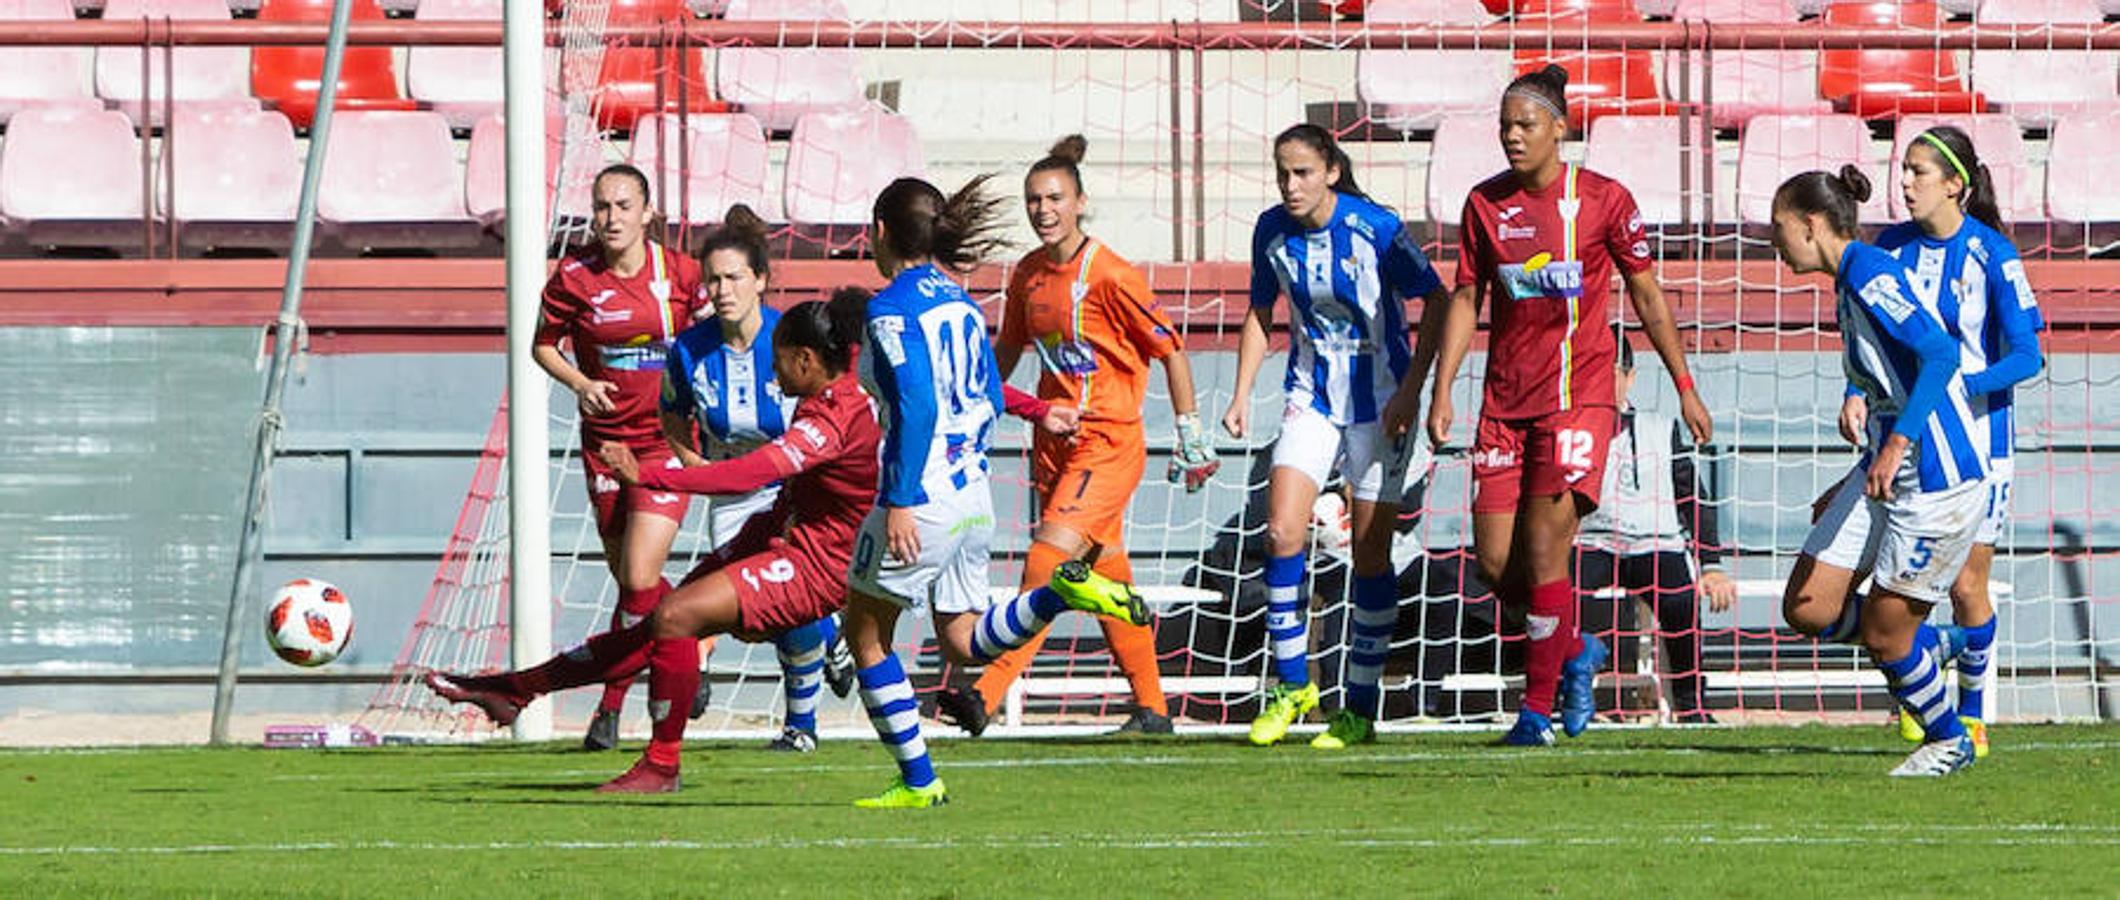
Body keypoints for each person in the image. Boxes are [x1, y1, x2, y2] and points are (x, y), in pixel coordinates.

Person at [424, 291, 886, 792]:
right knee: (657, 626)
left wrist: (647, 475)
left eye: (778, 361)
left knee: (676, 617)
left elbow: (748, 474)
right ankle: (518, 689)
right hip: (778, 533)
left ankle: (661, 764)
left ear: (807, 358)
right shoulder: (827, 388)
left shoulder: (832, 418)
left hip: (817, 566)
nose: (773, 372)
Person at [1422, 65, 1713, 746]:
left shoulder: (1605, 200)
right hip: (1503, 404)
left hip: (1578, 401)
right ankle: (1576, 648)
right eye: (1504, 127)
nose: (1512, 138)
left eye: (1525, 125)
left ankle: (1536, 714)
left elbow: (1645, 295)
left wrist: (1685, 385)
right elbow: (1467, 300)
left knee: (1547, 549)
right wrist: (1442, 391)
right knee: (1497, 565)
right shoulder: (1484, 205)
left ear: (1561, 128)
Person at [842, 175, 1149, 809]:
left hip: (921, 495)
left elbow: (921, 402)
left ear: (880, 233)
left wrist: (899, 497)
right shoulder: (958, 300)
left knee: (865, 634)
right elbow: (982, 388)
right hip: (972, 493)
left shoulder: (892, 307)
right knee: (962, 638)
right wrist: (1040, 412)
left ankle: (918, 780)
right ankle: (1058, 593)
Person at [934, 135, 1218, 737]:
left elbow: (1171, 350)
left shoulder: (1111, 275)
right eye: (1034, 199)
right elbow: (1004, 353)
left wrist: (1190, 429)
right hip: (1054, 445)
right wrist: (969, 406)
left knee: (1047, 559)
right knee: (1108, 576)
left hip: (1107, 443)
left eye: (1055, 198)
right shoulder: (1029, 276)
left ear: (1080, 202)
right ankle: (1153, 711)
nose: (1043, 210)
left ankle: (982, 693)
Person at [1222, 123, 1452, 749]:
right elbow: (1258, 312)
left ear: (1329, 169)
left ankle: (1358, 707)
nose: (1289, 186)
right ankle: (1294, 685)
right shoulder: (1272, 230)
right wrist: (1242, 393)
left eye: (1300, 173)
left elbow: (1437, 300)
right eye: (1281, 174)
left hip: (1380, 404)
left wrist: (1415, 391)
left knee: (1370, 558)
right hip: (1310, 397)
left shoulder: (1373, 227)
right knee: (1281, 532)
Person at [1771, 166, 1985, 777]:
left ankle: (1948, 739)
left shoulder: (1867, 271)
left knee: (1885, 638)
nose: (1775, 243)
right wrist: (1861, 470)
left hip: (1938, 474)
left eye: (1780, 229)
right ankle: (1928, 645)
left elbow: (1942, 353)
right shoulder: (1848, 280)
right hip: (1885, 469)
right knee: (1807, 607)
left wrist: (1896, 448)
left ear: (1811, 226)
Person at [1859, 126, 2044, 758]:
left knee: (1968, 585)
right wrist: (1856, 393)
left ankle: (1971, 714)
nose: (1904, 182)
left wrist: (1964, 385)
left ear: (1955, 184)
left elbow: (2028, 355)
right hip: (1908, 441)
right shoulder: (1891, 248)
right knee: (1905, 585)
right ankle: (1921, 696)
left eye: (1917, 171)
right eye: (1903, 169)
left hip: (1981, 444)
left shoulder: (1993, 255)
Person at [660, 206, 858, 753]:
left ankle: (801, 726)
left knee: (783, 597)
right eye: (713, 280)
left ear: (761, 281)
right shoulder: (689, 349)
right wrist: (695, 466)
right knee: (758, 607)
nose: (722, 291)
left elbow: (830, 408)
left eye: (734, 278)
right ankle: (829, 636)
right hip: (730, 491)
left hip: (789, 488)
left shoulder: (789, 339)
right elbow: (671, 413)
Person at [532, 163, 706, 751]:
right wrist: (581, 383)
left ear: (647, 212)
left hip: (666, 444)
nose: (611, 218)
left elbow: (713, 338)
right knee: (638, 584)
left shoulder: (681, 275)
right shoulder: (574, 275)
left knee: (636, 578)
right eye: (602, 206)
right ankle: (685, 646)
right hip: (604, 445)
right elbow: (541, 345)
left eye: (624, 206)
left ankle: (609, 708)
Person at [1573, 325, 1736, 724]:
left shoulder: (1661, 428)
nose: (1603, 379)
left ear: (1630, 376)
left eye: (1613, 370)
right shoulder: (1570, 427)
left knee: (1680, 600)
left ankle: (1691, 704)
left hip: (1655, 542)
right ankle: (1566, 694)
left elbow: (1691, 498)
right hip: (1592, 539)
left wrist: (1711, 564)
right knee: (1558, 597)